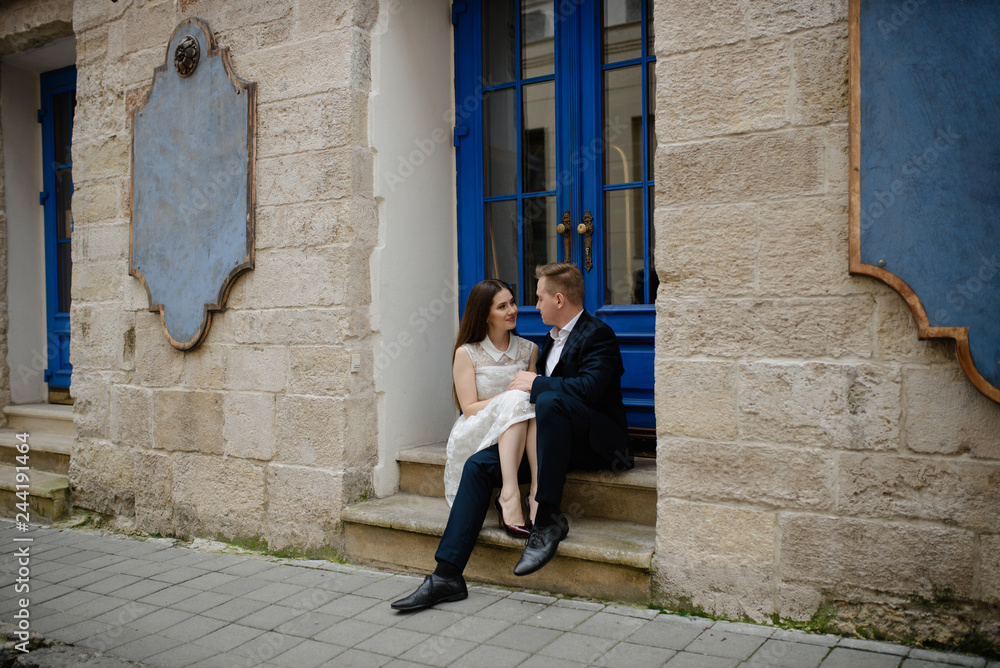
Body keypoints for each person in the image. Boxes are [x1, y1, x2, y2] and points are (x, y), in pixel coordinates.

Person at [392, 263, 632, 612]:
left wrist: (536, 384)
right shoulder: (548, 342)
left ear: (559, 299)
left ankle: (546, 518)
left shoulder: (598, 334)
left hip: (596, 445)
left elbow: (590, 390)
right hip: (547, 441)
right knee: (476, 466)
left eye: (538, 297)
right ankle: (447, 575)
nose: (532, 306)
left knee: (544, 397)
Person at [443, 278, 540, 535]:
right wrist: (509, 398)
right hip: (479, 426)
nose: (512, 310)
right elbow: (469, 408)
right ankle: (509, 494)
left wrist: (518, 397)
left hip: (523, 430)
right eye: (502, 307)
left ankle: (536, 490)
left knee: (533, 401)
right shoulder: (467, 353)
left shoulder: (530, 350)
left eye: (512, 303)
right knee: (520, 397)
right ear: (485, 314)